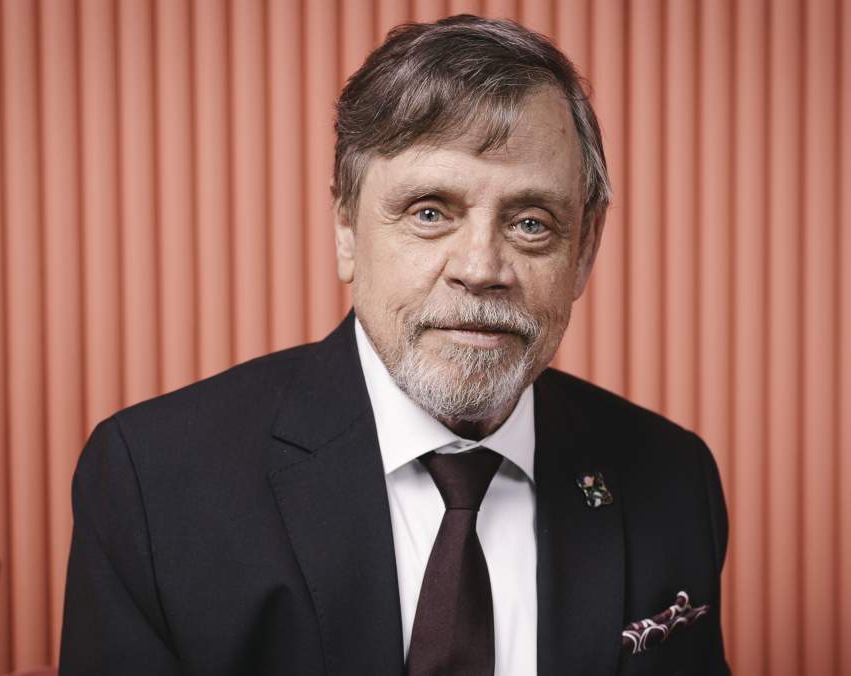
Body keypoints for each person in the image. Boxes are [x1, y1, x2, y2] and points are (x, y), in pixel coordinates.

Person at [59, 14, 730, 676]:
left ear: (584, 250)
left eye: (531, 222)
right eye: (429, 212)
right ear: (346, 228)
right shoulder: (153, 483)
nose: (480, 268)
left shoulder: (675, 479)